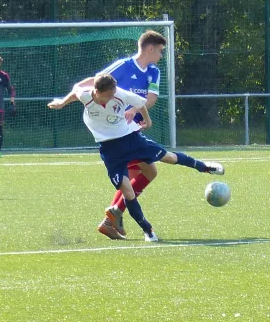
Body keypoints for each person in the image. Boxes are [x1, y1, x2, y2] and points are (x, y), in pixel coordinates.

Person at [48, 73, 225, 242]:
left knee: (169, 158)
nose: (112, 97)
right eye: (109, 94)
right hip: (110, 150)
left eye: (113, 93)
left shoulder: (120, 94)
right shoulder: (85, 96)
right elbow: (74, 92)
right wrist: (62, 103)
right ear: (98, 92)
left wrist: (147, 122)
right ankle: (148, 230)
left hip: (131, 140)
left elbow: (141, 103)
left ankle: (205, 167)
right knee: (127, 192)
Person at [73, 30, 169, 240]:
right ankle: (114, 214)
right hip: (118, 134)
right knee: (144, 174)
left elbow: (150, 99)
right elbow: (94, 82)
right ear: (150, 48)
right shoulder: (123, 66)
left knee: (144, 175)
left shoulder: (154, 72)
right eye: (160, 51)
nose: (161, 56)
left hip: (133, 130)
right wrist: (66, 99)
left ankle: (113, 215)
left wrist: (135, 110)